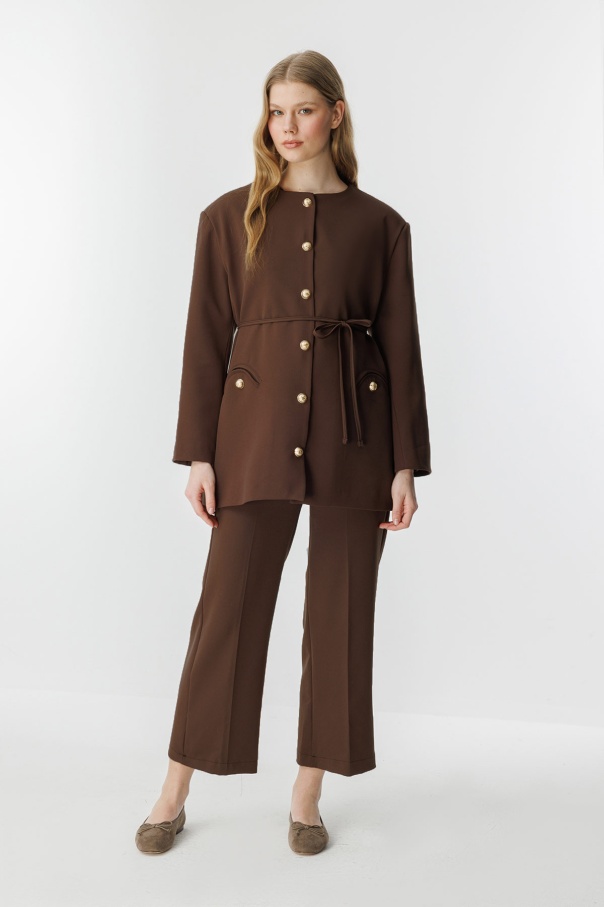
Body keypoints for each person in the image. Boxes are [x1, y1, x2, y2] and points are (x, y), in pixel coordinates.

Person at [135, 48, 432, 857]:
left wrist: (405, 462)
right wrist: (199, 453)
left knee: (341, 615)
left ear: (336, 113)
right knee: (225, 612)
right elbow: (205, 339)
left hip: (357, 438)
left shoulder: (382, 226)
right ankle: (174, 787)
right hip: (253, 435)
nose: (288, 126)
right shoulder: (228, 216)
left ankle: (307, 793)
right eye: (276, 111)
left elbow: (401, 348)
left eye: (303, 109)